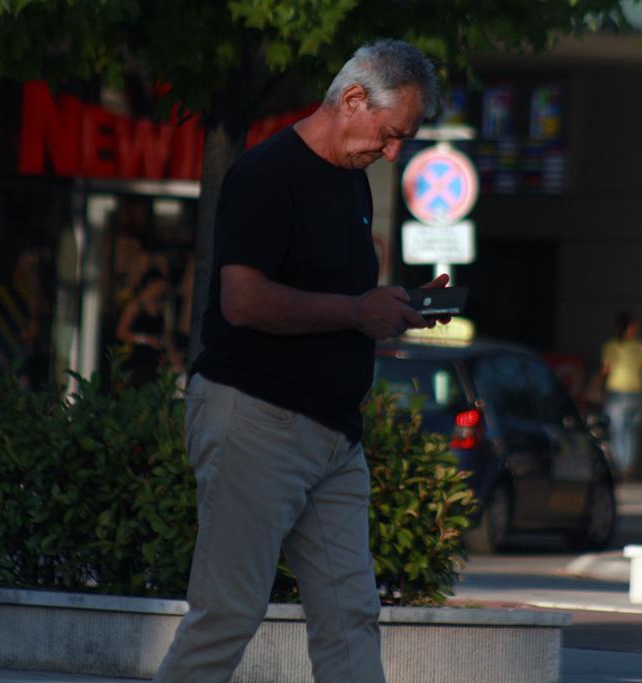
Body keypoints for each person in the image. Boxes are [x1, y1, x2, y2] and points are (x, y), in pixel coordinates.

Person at [153, 40, 441, 683]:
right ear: (354, 99)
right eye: (391, 134)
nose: (393, 153)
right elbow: (242, 300)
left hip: (334, 435)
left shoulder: (352, 183)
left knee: (351, 615)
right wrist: (357, 312)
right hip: (258, 419)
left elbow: (339, 298)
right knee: (227, 614)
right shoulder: (267, 174)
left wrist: (395, 307)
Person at [598, 312, 642, 481]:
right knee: (627, 432)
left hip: (621, 393)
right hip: (632, 394)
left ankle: (621, 467)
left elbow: (605, 371)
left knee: (618, 431)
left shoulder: (613, 346)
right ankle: (626, 467)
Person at [115, 268, 174, 387]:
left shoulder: (160, 307)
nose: (162, 291)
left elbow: (166, 335)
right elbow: (121, 332)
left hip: (154, 361)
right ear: (151, 284)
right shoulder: (134, 306)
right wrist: (145, 340)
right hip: (136, 359)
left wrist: (172, 355)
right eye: (160, 286)